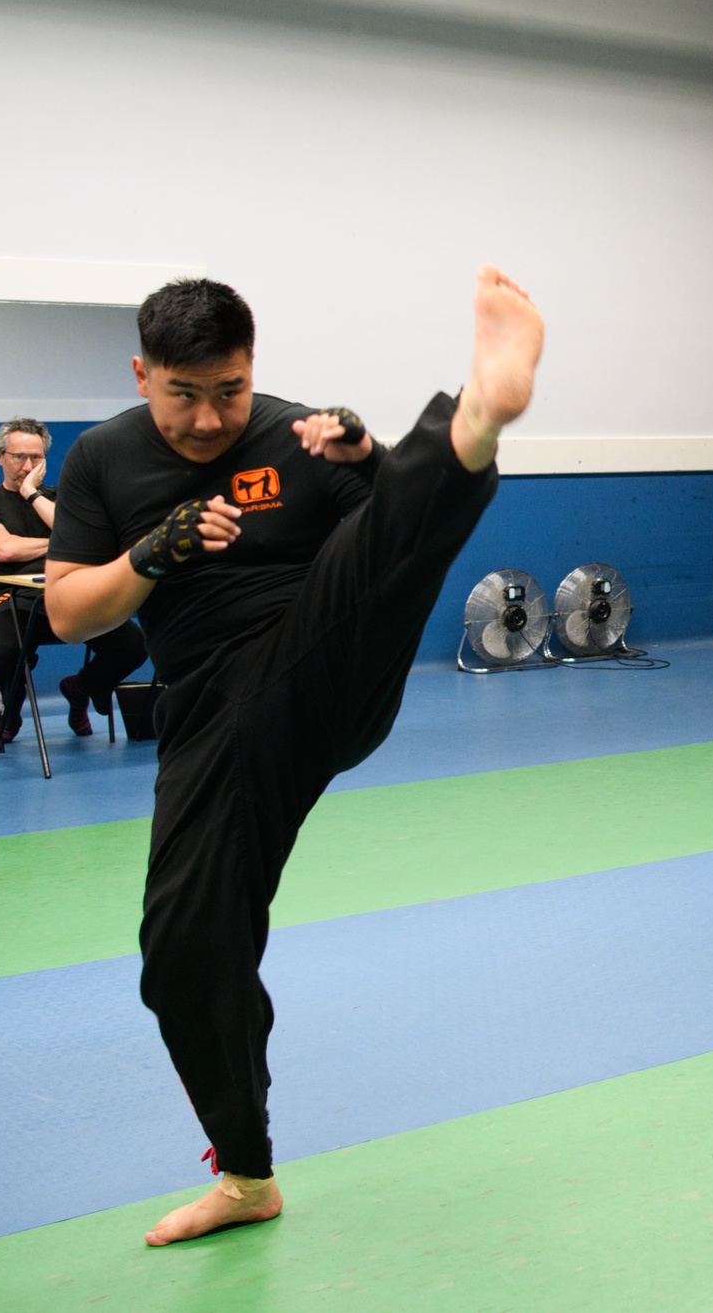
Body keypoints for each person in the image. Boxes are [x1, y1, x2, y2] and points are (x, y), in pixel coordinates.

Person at [44, 265, 542, 1245]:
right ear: (141, 375)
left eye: (228, 390)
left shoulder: (296, 432)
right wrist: (151, 554)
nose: (208, 418)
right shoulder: (102, 459)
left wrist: (364, 455)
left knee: (370, 556)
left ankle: (477, 417)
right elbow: (66, 612)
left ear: (252, 366)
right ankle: (245, 1175)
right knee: (183, 949)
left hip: (327, 653)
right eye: (183, 395)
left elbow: (392, 536)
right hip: (210, 714)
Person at [0, 417, 147, 741]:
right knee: (5, 656)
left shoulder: (60, 498)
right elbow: (5, 549)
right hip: (12, 601)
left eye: (36, 458)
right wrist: (59, 543)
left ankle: (81, 688)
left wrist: (31, 493)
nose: (27, 466)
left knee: (133, 644)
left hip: (67, 596)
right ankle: (11, 712)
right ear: (0, 456)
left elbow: (85, 537)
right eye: (19, 457)